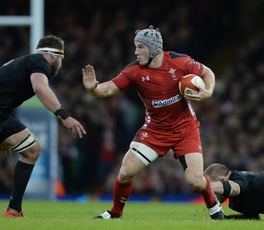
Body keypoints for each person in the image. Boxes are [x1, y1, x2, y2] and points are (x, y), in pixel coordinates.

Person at [82, 25, 224, 220]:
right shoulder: (134, 71)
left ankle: (214, 206)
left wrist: (207, 92)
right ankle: (116, 213)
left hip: (186, 129)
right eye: (135, 47)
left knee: (195, 181)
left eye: (140, 47)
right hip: (155, 130)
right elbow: (107, 90)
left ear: (153, 48)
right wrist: (93, 89)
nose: (136, 52)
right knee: (125, 173)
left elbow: (208, 73)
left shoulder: (179, 61)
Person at [0, 35, 86, 217]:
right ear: (54, 55)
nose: (60, 64)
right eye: (61, 59)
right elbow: (40, 89)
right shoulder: (39, 62)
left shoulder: (27, 61)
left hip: (0, 114)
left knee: (32, 150)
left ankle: (14, 209)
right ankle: (14, 209)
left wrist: (3, 139)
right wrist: (64, 116)